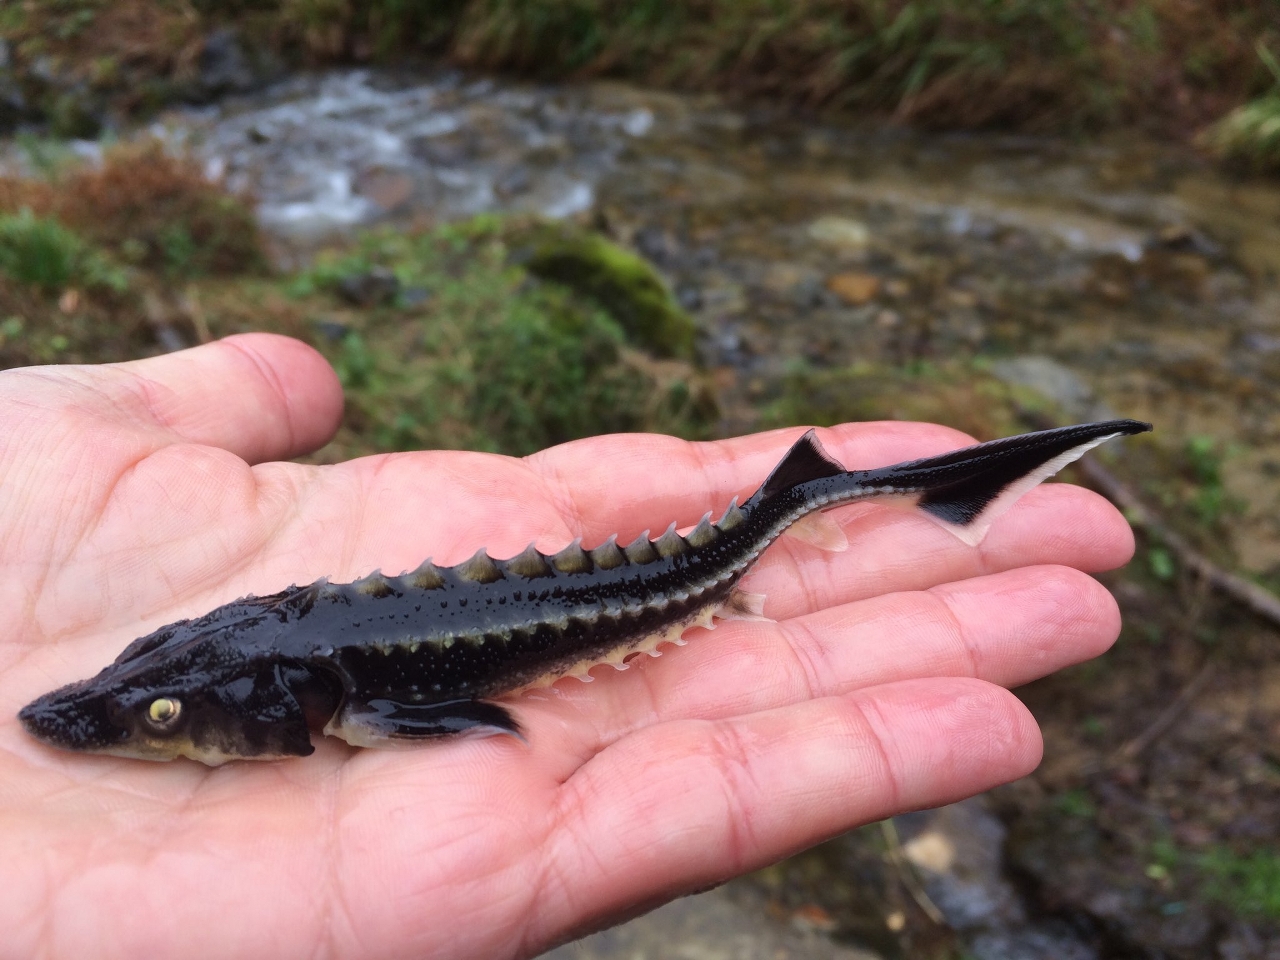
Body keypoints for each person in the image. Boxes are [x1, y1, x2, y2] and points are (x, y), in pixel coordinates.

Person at [0, 334, 1133, 959]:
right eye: (154, 713)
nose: (122, 721)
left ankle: (938, 494)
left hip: (656, 586)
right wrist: (123, 706)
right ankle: (902, 493)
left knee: (741, 539)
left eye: (158, 720)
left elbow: (462, 718)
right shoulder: (299, 672)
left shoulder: (354, 702)